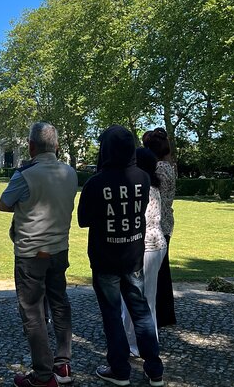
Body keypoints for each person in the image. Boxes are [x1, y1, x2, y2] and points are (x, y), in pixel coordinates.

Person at [77, 125, 164, 387]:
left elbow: (83, 220)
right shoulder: (143, 178)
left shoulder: (96, 183)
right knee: (141, 312)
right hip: (133, 255)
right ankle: (155, 368)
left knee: (112, 315)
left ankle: (119, 369)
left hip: (105, 258)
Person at [0, 122, 78, 387]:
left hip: (31, 252)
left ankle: (43, 375)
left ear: (31, 147)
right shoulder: (70, 173)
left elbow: (4, 204)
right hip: (59, 249)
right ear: (56, 147)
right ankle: (62, 364)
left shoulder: (24, 175)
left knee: (32, 313)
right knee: (60, 304)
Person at [122, 148, 168, 358]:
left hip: (144, 247)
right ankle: (147, 341)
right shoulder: (154, 187)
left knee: (134, 299)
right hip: (157, 244)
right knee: (148, 298)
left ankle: (134, 344)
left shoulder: (140, 188)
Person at [142, 128, 177, 327]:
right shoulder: (169, 167)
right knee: (163, 271)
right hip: (166, 220)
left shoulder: (157, 168)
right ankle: (165, 313)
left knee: (159, 273)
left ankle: (160, 314)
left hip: (157, 221)